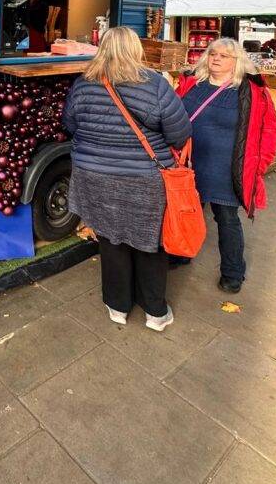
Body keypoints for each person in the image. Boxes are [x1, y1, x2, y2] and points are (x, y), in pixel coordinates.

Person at [63, 26, 192, 331]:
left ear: (103, 48)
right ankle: (155, 313)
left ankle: (118, 307)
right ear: (136, 49)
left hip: (94, 177)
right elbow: (180, 133)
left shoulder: (83, 84)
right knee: (150, 241)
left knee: (110, 238)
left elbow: (70, 124)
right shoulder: (156, 85)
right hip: (143, 179)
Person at [176, 37, 276, 293]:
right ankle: (181, 253)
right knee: (186, 212)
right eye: (213, 53)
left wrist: (260, 164)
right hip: (189, 165)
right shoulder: (192, 83)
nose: (217, 58)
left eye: (224, 55)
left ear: (237, 61)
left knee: (227, 219)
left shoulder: (251, 90)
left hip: (227, 170)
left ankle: (233, 272)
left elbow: (270, 129)